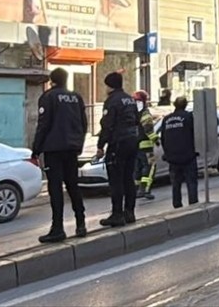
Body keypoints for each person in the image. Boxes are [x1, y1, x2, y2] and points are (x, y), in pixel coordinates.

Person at [32, 68, 88, 243]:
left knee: (55, 189)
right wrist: (79, 145)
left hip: (53, 149)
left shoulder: (48, 97)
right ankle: (81, 223)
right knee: (73, 186)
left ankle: (58, 228)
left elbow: (43, 125)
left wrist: (36, 149)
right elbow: (84, 124)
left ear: (52, 81)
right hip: (71, 149)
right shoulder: (76, 97)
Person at [94, 71, 139, 227]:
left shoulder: (112, 101)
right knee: (128, 178)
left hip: (118, 142)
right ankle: (130, 212)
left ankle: (117, 214)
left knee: (116, 179)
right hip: (132, 141)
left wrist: (100, 146)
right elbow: (137, 120)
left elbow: (107, 125)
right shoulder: (130, 99)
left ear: (110, 86)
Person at [161, 96, 199, 209]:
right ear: (185, 105)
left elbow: (163, 138)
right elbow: (195, 134)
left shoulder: (166, 119)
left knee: (176, 184)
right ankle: (193, 205)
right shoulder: (189, 117)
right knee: (191, 182)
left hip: (173, 158)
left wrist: (167, 153)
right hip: (188, 156)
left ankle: (177, 205)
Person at [134, 91, 158, 200]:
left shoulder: (132, 113)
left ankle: (137, 190)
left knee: (137, 168)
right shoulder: (145, 113)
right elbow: (148, 130)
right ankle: (146, 190)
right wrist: (156, 139)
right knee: (150, 167)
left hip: (135, 146)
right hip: (146, 146)